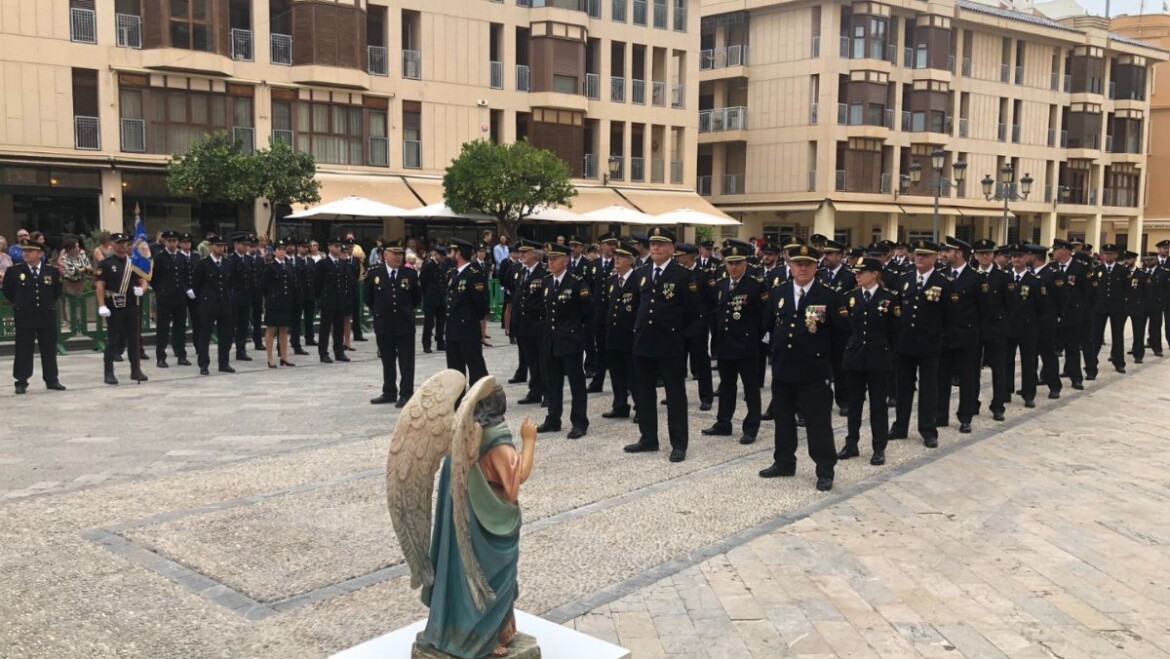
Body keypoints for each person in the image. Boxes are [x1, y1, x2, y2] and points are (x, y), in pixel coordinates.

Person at [760, 243, 848, 491]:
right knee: (783, 420)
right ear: (790, 265)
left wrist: (833, 370)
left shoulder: (828, 296)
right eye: (798, 263)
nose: (802, 268)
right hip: (783, 369)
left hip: (814, 371)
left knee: (818, 423)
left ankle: (825, 469)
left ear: (815, 266)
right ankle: (784, 461)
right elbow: (767, 326)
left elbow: (842, 335)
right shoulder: (779, 293)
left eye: (808, 263)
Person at [623, 227, 700, 463]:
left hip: (670, 344)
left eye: (661, 244)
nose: (655, 247)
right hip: (643, 343)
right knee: (644, 394)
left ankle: (678, 443)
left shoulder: (682, 275)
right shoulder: (641, 273)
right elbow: (634, 306)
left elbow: (694, 314)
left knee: (675, 396)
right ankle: (648, 438)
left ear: (671, 249)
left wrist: (682, 339)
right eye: (653, 243)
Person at [701, 240, 767, 445]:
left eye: (738, 263)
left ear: (745, 264)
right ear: (725, 265)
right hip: (726, 345)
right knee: (727, 386)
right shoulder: (721, 285)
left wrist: (758, 341)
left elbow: (765, 316)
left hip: (747, 346)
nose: (734, 267)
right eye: (730, 263)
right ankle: (723, 423)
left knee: (750, 388)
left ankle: (751, 426)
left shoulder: (755, 286)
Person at [836, 256, 898, 465]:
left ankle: (879, 447)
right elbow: (843, 327)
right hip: (854, 356)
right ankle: (851, 443)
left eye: (862, 272)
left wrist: (890, 353)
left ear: (875, 274)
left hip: (878, 357)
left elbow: (895, 331)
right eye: (856, 272)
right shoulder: (850, 297)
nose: (857, 275)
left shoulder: (889, 298)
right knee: (854, 405)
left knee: (878, 406)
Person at [890, 240, 952, 448]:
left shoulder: (943, 282)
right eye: (917, 254)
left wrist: (941, 339)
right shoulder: (904, 279)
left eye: (925, 255)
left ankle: (927, 429)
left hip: (930, 344)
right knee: (903, 387)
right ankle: (900, 426)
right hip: (905, 342)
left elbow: (950, 316)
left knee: (928, 389)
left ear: (935, 257)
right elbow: (896, 309)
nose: (920, 258)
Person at [535, 242, 591, 439]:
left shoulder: (577, 283)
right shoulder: (547, 281)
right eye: (549, 259)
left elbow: (587, 313)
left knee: (576, 383)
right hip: (551, 340)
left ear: (565, 261)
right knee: (553, 382)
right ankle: (553, 418)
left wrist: (578, 335)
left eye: (555, 258)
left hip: (570, 340)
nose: (550, 262)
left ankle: (579, 421)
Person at [936, 236, 986, 434]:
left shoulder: (976, 278)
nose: (944, 254)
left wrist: (973, 331)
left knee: (967, 378)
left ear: (959, 253)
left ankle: (965, 416)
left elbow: (984, 310)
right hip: (944, 335)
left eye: (948, 251)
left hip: (966, 336)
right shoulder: (941, 275)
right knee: (942, 377)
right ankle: (940, 415)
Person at [2, 239, 65, 394]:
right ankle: (21, 380)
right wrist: (19, 304)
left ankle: (52, 379)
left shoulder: (51, 271)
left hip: (46, 315)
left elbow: (56, 292)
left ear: (40, 253)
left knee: (49, 349)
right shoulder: (14, 271)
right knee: (23, 348)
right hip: (25, 316)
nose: (26, 254)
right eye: (25, 251)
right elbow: (9, 291)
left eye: (30, 251)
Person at [366, 240, 422, 407]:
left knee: (406, 361)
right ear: (385, 255)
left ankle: (406, 393)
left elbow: (416, 299)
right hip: (384, 323)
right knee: (387, 359)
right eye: (394, 253)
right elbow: (369, 299)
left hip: (404, 323)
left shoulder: (409, 274)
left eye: (400, 254)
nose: (398, 257)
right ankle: (389, 391)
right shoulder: (375, 273)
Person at [94, 233, 149, 385]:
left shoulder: (134, 263)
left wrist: (142, 290)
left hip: (131, 304)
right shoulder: (105, 264)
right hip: (114, 306)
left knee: (134, 339)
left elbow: (143, 280)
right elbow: (100, 286)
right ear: (112, 244)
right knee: (113, 340)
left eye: (124, 242)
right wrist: (101, 305)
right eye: (119, 242)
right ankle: (109, 372)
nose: (122, 245)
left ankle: (135, 369)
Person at [599, 240, 640, 419]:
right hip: (613, 335)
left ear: (630, 260)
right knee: (616, 374)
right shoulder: (611, 280)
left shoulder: (638, 279)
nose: (617, 259)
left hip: (630, 335)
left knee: (634, 375)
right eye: (616, 256)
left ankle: (641, 407)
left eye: (622, 256)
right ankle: (620, 405)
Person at [970, 240, 1009, 421]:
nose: (984, 256)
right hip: (975, 327)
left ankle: (998, 405)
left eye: (988, 253)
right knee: (971, 368)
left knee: (998, 368)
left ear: (993, 255)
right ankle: (972, 403)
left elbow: (1010, 305)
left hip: (995, 327)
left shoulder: (1003, 277)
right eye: (981, 253)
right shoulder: (970, 275)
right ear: (975, 255)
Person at [817, 239, 856, 416]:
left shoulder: (849, 276)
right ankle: (823, 400)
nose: (826, 257)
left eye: (830, 254)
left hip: (841, 328)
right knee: (821, 367)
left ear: (840, 256)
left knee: (841, 368)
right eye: (825, 253)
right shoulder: (819, 274)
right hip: (822, 328)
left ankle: (844, 401)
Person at [675, 242, 715, 411]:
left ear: (691, 256)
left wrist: (704, 320)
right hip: (679, 324)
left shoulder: (704, 275)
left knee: (701, 361)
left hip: (697, 324)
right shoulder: (676, 274)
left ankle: (706, 396)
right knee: (676, 362)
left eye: (681, 256)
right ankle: (676, 395)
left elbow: (712, 300)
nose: (679, 259)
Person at [1003, 244, 1044, 409]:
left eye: (1020, 256)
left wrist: (1037, 326)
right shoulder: (1005, 278)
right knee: (1006, 361)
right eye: (1014, 256)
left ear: (1027, 258)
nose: (1016, 259)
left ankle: (1028, 394)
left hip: (1028, 328)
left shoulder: (1034, 281)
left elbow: (1042, 307)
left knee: (1028, 362)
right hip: (1008, 327)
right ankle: (1005, 391)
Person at [445, 237, 490, 385]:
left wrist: (471, 319)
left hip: (468, 328)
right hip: (453, 329)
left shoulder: (473, 274)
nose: (448, 255)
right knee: (455, 370)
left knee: (475, 367)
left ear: (458, 254)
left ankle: (480, 400)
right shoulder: (454, 273)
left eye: (451, 251)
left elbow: (482, 304)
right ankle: (458, 403)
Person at [192, 234, 236, 375]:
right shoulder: (203, 264)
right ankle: (204, 364)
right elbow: (196, 285)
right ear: (211, 247)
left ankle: (224, 363)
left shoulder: (228, 263)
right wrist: (202, 301)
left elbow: (231, 284)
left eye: (223, 246)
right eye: (218, 245)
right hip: (208, 304)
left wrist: (230, 297)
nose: (221, 248)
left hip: (224, 304)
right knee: (205, 336)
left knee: (226, 335)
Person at [1050, 239, 1088, 390]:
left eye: (1056, 249)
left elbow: (1088, 292)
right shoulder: (1052, 268)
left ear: (1065, 251)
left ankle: (1076, 377)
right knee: (1050, 348)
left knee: (1072, 348)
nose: (1053, 252)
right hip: (1054, 314)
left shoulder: (1080, 268)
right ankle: (1047, 375)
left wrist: (1080, 309)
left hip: (1072, 313)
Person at [512, 240, 546, 402]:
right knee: (531, 359)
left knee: (543, 360)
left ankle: (546, 392)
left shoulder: (543, 272)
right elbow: (518, 298)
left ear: (535, 254)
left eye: (526, 252)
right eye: (521, 252)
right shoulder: (521, 271)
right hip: (524, 324)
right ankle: (535, 390)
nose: (522, 255)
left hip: (538, 323)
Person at [152, 231, 192, 368]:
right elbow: (154, 278)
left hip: (179, 297)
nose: (172, 244)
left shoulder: (182, 257)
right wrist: (160, 291)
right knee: (162, 328)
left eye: (175, 241)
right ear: (165, 242)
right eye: (170, 241)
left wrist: (187, 289)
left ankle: (181, 355)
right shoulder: (159, 257)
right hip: (165, 297)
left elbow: (185, 277)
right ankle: (161, 357)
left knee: (180, 327)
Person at [1091, 244, 1129, 374]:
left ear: (1116, 255)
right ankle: (1091, 363)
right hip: (1099, 307)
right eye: (1106, 253)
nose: (1109, 256)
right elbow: (1092, 289)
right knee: (1095, 336)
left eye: (1111, 254)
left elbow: (1127, 289)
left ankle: (1119, 362)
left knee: (1117, 335)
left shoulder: (1122, 270)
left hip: (1117, 307)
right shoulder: (1097, 269)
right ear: (1103, 255)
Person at [314, 236, 352, 363]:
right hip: (327, 299)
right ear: (329, 247)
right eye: (335, 246)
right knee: (325, 327)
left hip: (340, 299)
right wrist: (320, 298)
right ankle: (323, 352)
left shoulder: (342, 263)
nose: (337, 248)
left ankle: (339, 351)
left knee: (339, 327)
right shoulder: (323, 264)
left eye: (339, 246)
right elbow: (318, 284)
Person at [261, 240, 298, 368]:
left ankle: (284, 356)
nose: (282, 251)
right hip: (274, 302)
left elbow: (292, 283)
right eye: (279, 249)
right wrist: (271, 296)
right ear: (275, 251)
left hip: (286, 301)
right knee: (271, 329)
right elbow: (264, 286)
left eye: (283, 249)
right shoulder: (271, 267)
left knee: (284, 329)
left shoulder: (288, 266)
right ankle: (270, 357)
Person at [227, 233, 256, 361]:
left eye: (247, 245)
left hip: (246, 297)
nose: (246, 247)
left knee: (243, 325)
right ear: (236, 245)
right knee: (230, 325)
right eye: (243, 244)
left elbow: (251, 279)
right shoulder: (230, 260)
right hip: (234, 296)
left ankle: (241, 350)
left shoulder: (249, 260)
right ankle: (225, 350)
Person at [420, 245, 449, 353]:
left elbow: (443, 281)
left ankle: (440, 342)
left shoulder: (442, 265)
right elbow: (423, 282)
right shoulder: (428, 265)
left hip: (441, 297)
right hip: (431, 298)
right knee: (429, 322)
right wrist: (427, 294)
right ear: (435, 254)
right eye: (440, 256)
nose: (442, 258)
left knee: (441, 321)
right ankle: (426, 343)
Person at [1122, 250, 1148, 364]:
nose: (1127, 261)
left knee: (1138, 331)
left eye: (1129, 259)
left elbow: (1146, 292)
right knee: (1117, 331)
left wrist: (1144, 305)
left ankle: (1138, 354)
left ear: (1135, 260)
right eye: (1126, 258)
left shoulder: (1142, 274)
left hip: (1137, 306)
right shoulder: (1121, 272)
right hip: (1122, 305)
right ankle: (1115, 354)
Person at [1145, 251, 1168, 357]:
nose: (1148, 262)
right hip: (1143, 303)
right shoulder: (1141, 272)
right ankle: (1137, 348)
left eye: (1151, 259)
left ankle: (1157, 347)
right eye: (1146, 259)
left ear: (1156, 260)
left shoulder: (1163, 272)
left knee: (1156, 327)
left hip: (1157, 303)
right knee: (1139, 327)